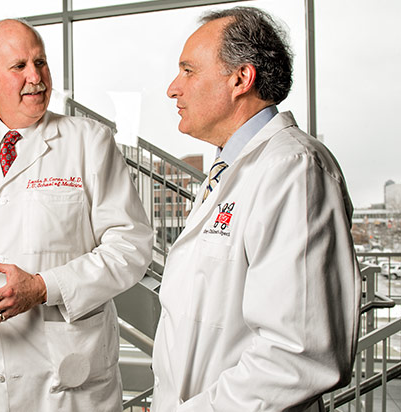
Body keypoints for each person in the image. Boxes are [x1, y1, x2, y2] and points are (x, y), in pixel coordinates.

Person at [0, 19, 152, 412]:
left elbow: (130, 247)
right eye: (19, 66)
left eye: (41, 62)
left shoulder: (89, 142)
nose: (36, 77)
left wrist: (45, 288)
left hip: (70, 384)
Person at [152, 6, 361, 411]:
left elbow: (298, 354)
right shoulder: (232, 169)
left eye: (188, 71)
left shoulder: (293, 168)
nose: (173, 89)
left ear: (240, 79)